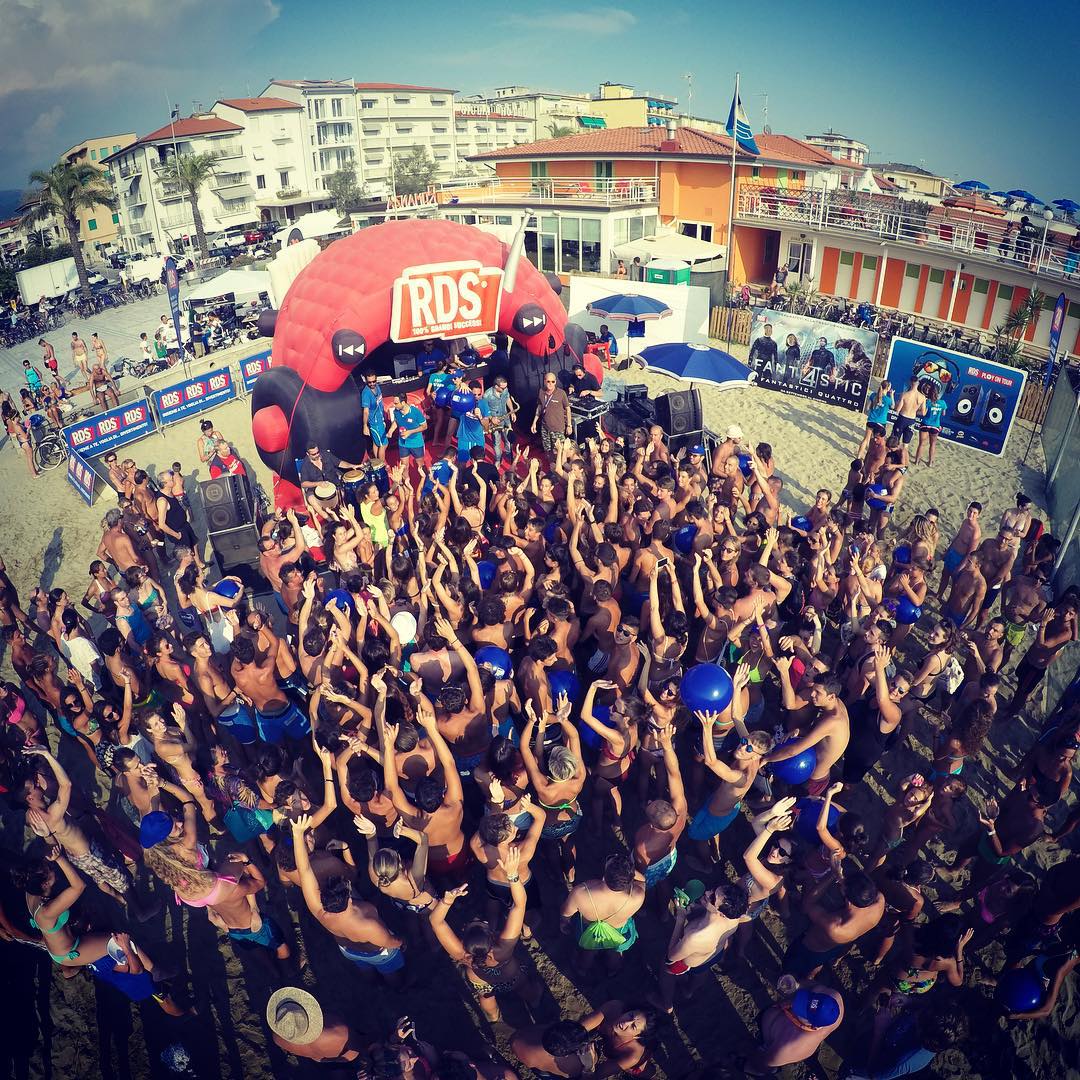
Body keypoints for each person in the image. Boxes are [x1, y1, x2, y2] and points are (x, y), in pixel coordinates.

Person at [532, 372, 572, 457]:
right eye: (548, 381)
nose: (550, 384)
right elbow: (539, 407)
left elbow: (568, 409)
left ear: (556, 382)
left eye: (553, 382)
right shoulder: (541, 391)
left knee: (560, 452)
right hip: (545, 428)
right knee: (547, 450)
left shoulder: (561, 393)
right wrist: (534, 422)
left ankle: (560, 469)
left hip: (557, 429)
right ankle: (551, 466)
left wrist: (569, 425)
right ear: (544, 381)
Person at [482, 375, 516, 466]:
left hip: (505, 418)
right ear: (496, 386)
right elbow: (484, 409)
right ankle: (498, 459)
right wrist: (491, 418)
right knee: (496, 442)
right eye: (503, 387)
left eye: (506, 387)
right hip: (494, 422)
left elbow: (507, 399)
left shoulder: (505, 390)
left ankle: (508, 454)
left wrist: (512, 411)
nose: (505, 389)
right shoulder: (487, 395)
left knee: (508, 439)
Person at [913, 383, 946, 466]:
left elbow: (923, 413)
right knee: (933, 445)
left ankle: (917, 461)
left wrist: (915, 412)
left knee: (921, 444)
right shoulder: (942, 403)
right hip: (935, 425)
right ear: (938, 393)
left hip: (925, 423)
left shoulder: (927, 402)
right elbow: (943, 414)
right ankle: (930, 463)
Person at [361, 369, 388, 463]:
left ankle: (377, 463)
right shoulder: (366, 394)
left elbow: (380, 404)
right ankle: (382, 465)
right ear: (366, 381)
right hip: (375, 423)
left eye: (374, 381)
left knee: (376, 443)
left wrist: (383, 419)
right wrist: (365, 426)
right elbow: (365, 411)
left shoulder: (378, 387)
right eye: (369, 382)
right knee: (383, 444)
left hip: (380, 420)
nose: (372, 384)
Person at [891, 375, 926, 445]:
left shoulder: (904, 395)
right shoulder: (922, 397)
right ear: (918, 383)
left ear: (910, 383)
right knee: (905, 445)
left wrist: (893, 398)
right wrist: (915, 411)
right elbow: (923, 413)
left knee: (895, 441)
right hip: (911, 420)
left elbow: (897, 410)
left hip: (902, 418)